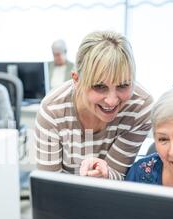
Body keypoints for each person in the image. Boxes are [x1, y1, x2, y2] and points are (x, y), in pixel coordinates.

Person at [36, 31, 153, 180]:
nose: (111, 101)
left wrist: (105, 174)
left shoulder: (140, 107)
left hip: (111, 198)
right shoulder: (52, 110)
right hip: (63, 198)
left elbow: (118, 174)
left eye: (123, 85)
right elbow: (49, 185)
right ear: (76, 80)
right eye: (99, 86)